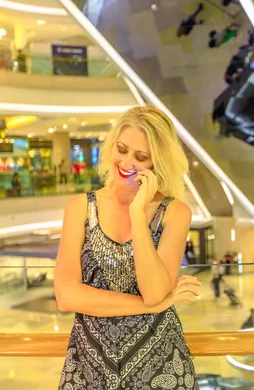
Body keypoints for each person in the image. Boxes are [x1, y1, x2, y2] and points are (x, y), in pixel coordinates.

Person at [54, 106, 202, 389]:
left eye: (141, 156)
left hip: (160, 364)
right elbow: (66, 295)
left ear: (157, 162)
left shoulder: (175, 213)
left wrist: (137, 213)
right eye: (122, 149)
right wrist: (156, 306)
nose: (127, 161)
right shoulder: (81, 208)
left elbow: (155, 290)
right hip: (89, 365)